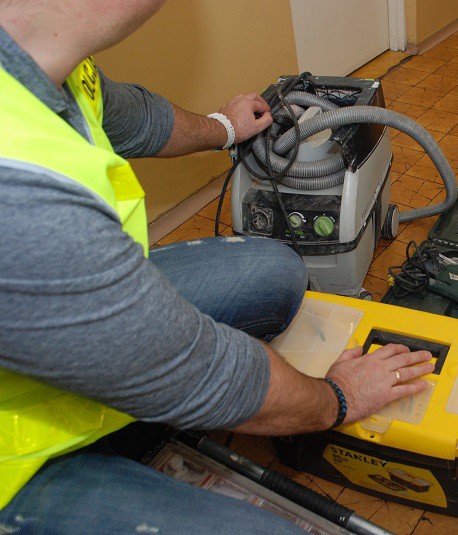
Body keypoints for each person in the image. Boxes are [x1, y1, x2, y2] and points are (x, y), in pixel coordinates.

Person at [0, 1, 434, 532]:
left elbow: (133, 118)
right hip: (14, 461)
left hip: (69, 331)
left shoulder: (42, 58)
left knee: (276, 269)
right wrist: (338, 398)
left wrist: (224, 128)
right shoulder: (18, 191)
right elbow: (195, 368)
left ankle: (131, 429)